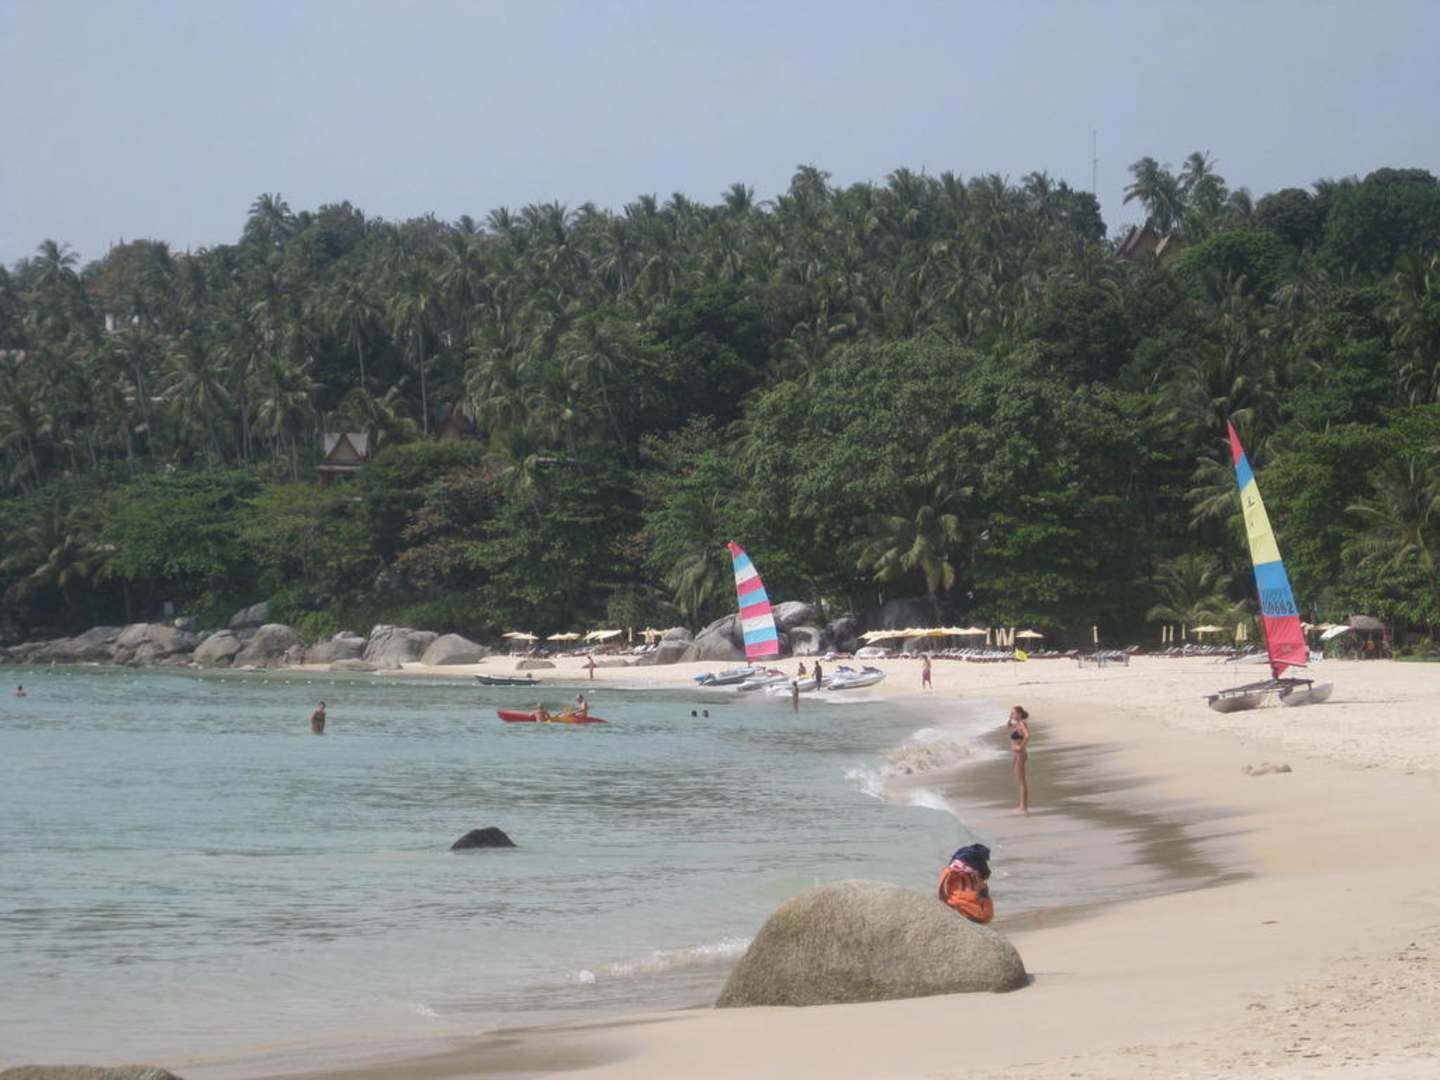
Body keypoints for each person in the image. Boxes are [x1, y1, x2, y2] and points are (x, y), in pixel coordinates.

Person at [937, 843, 995, 923]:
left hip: (968, 908)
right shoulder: (978, 874)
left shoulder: (952, 871)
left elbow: (942, 893)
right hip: (983, 913)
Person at [1008, 705, 1031, 813]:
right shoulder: (1017, 724)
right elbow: (1008, 725)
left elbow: (1027, 735)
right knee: (1019, 780)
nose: (1012, 714)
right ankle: (1021, 804)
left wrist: (1021, 746)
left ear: (1020, 714)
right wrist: (1010, 718)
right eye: (1011, 713)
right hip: (1017, 754)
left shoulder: (1022, 723)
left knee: (1022, 781)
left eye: (1014, 713)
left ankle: (1023, 807)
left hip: (1020, 754)